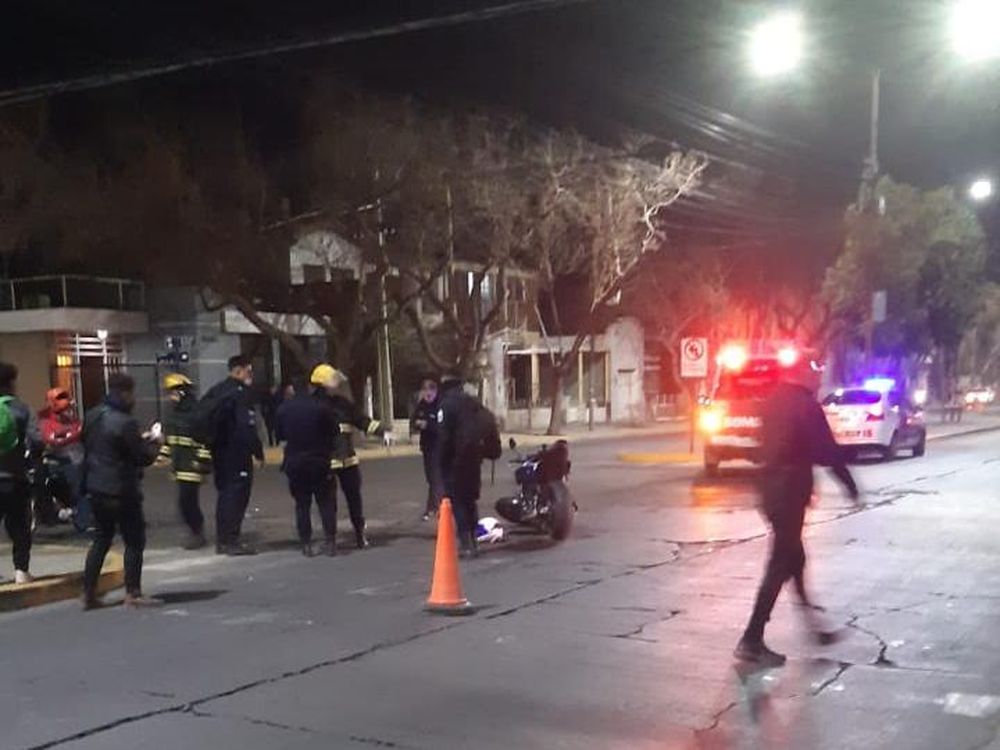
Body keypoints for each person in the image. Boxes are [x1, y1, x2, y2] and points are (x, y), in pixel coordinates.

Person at [734, 352, 860, 666]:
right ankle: (751, 639)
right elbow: (827, 451)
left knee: (795, 558)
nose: (819, 378)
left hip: (769, 491)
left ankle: (814, 628)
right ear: (802, 373)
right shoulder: (805, 406)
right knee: (781, 563)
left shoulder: (772, 400)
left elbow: (758, 446)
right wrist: (850, 486)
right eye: (816, 371)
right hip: (789, 494)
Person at [81, 373, 163, 609]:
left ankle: (88, 592)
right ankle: (133, 592)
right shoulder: (125, 422)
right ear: (125, 393)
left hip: (96, 486)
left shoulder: (92, 415)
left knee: (101, 539)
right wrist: (155, 444)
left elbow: (97, 445)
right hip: (122, 489)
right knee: (134, 540)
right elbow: (141, 457)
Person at [311, 364, 388, 550]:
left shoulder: (342, 403)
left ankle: (358, 534)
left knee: (352, 499)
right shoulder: (315, 405)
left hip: (346, 459)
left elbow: (361, 421)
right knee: (330, 501)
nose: (336, 384)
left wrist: (381, 430)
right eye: (332, 380)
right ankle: (331, 539)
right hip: (327, 460)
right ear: (322, 383)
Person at [201, 355, 264, 556]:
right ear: (238, 371)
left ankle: (223, 540)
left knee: (225, 495)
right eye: (248, 371)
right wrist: (258, 452)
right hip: (237, 453)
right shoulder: (240, 394)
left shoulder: (216, 390)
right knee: (236, 497)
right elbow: (246, 426)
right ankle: (231, 541)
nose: (250, 375)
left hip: (219, 452)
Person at [437, 374, 502, 558]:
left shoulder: (446, 405)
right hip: (474, 459)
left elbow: (444, 438)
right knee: (470, 500)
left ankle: (466, 543)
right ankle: (473, 540)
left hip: (455, 461)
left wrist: (441, 462)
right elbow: (488, 422)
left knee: (458, 502)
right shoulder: (473, 403)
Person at [276, 366, 338, 557]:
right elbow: (333, 431)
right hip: (319, 460)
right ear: (309, 387)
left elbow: (279, 435)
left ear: (292, 389)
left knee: (302, 504)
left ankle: (306, 544)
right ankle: (330, 541)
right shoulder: (321, 407)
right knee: (325, 502)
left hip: (295, 461)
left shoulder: (284, 408)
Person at [159, 373, 212, 550]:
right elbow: (170, 440)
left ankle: (197, 533)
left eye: (173, 392)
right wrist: (163, 456)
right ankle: (195, 531)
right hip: (179, 466)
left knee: (187, 502)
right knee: (184, 503)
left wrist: (203, 463)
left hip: (192, 466)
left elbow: (206, 440)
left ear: (182, 392)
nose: (170, 397)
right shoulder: (174, 414)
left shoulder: (196, 414)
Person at [0, 363, 40, 585]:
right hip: (15, 477)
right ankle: (21, 571)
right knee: (20, 526)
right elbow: (37, 441)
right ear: (11, 383)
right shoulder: (22, 409)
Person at [37, 388, 90, 531]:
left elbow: (81, 430)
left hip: (79, 459)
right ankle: (80, 520)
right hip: (61, 462)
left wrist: (75, 432)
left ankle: (83, 517)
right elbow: (52, 439)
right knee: (77, 487)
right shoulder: (46, 421)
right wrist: (73, 434)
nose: (67, 411)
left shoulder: (72, 420)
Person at [410, 377, 443, 522]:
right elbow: (414, 420)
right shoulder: (422, 405)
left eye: (430, 390)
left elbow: (442, 426)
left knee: (436, 478)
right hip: (427, 447)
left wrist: (427, 425)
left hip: (439, 446)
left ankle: (436, 508)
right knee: (431, 478)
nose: (427, 394)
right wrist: (418, 424)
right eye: (424, 390)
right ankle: (433, 506)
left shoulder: (440, 405)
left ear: (435, 391)